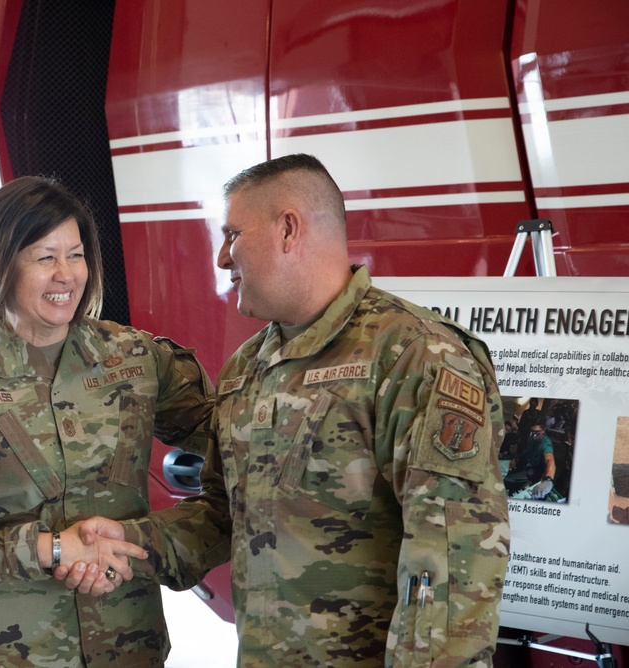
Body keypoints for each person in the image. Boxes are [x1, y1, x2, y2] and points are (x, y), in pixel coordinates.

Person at [61, 154, 511, 667]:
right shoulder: (249, 365)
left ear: (288, 229)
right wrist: (131, 543)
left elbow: (454, 561)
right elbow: (226, 515)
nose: (222, 258)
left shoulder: (414, 355)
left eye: (233, 235)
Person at [0, 175, 214, 667]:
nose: (66, 274)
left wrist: (155, 541)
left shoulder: (134, 358)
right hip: (6, 653)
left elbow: (231, 442)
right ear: (0, 263)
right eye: (45, 258)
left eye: (77, 254)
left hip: (125, 643)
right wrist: (54, 548)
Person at [505, 419, 556, 499]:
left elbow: (550, 460)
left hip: (536, 474)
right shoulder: (531, 438)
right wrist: (516, 459)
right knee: (507, 479)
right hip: (527, 468)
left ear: (543, 431)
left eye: (537, 433)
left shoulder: (546, 444)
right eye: (532, 432)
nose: (534, 435)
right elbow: (527, 451)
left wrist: (548, 480)